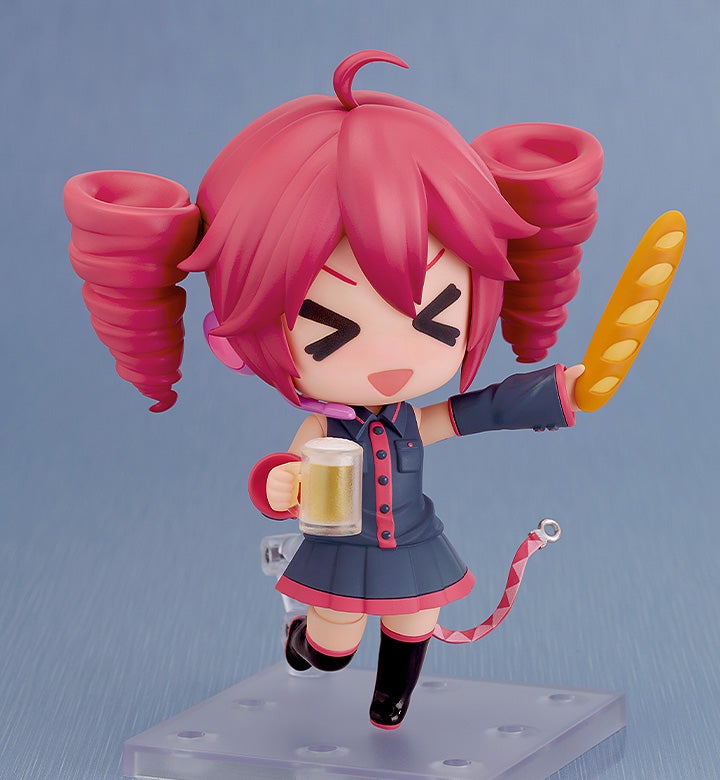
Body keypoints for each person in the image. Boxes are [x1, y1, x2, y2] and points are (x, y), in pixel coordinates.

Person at [64, 49, 603, 729]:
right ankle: (305, 645)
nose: (391, 360)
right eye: (331, 331)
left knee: (416, 616)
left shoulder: (408, 418)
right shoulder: (327, 427)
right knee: (335, 643)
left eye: (438, 318)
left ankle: (391, 700)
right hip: (341, 550)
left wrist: (553, 393)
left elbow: (473, 412)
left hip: (411, 541)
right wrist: (283, 481)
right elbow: (288, 467)